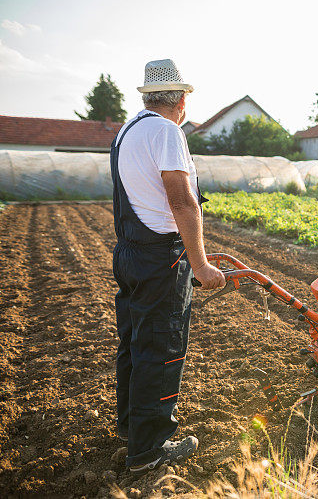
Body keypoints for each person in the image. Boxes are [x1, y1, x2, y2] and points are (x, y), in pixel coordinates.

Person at [112, 59, 225, 473]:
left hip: (130, 252)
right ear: (180, 99)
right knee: (161, 350)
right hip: (162, 257)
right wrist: (201, 264)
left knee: (136, 344)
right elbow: (181, 200)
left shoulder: (128, 130)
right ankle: (148, 451)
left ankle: (131, 428)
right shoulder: (167, 131)